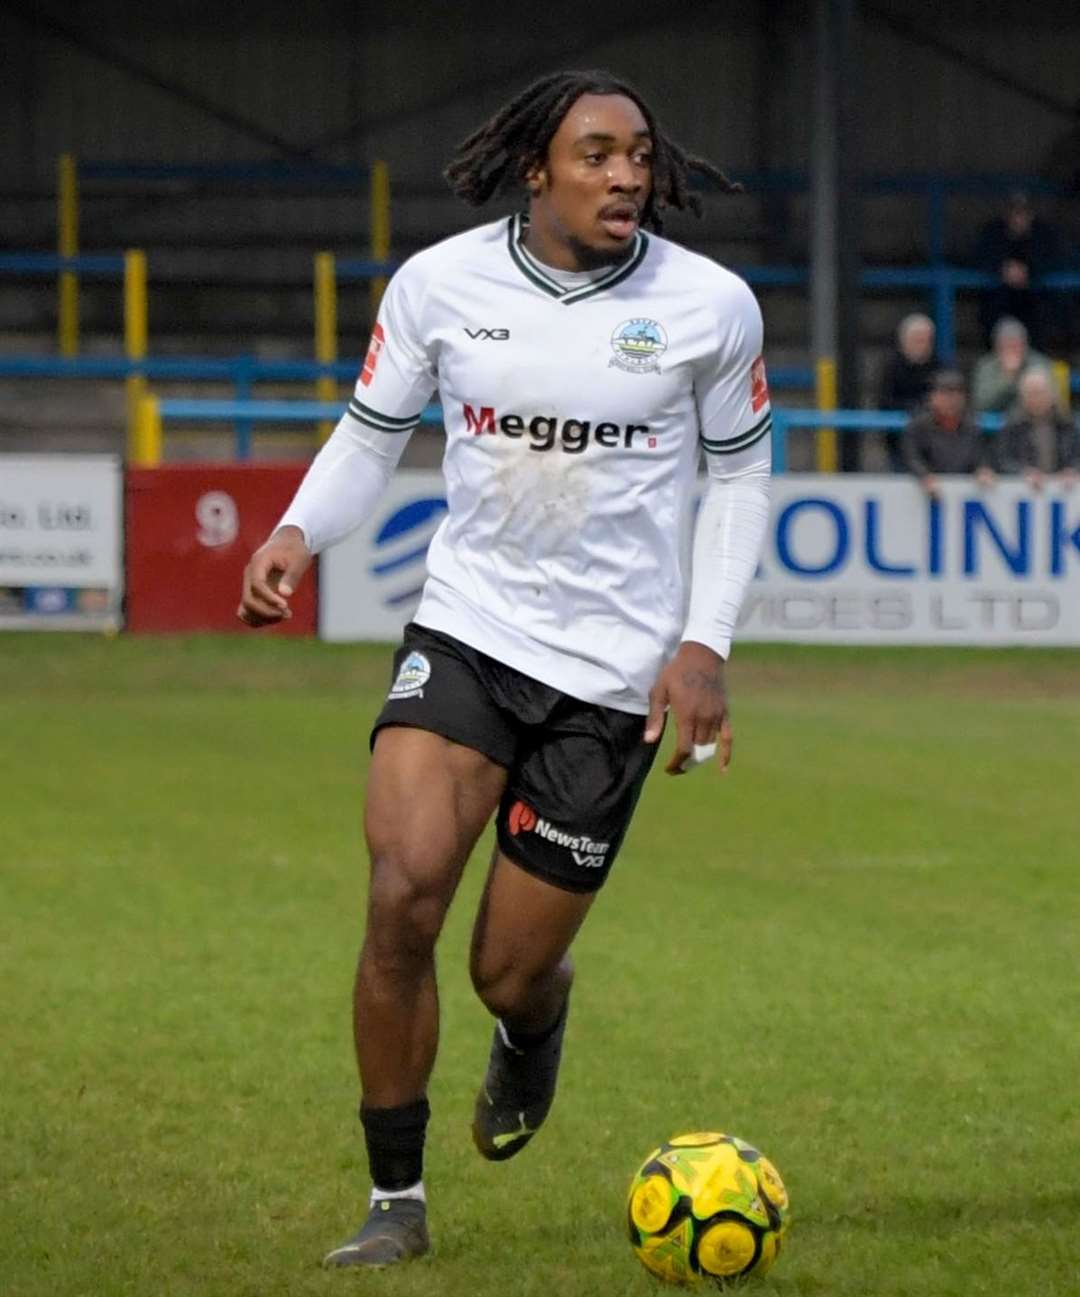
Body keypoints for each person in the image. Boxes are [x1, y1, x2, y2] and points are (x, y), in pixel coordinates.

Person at [237, 70, 772, 1270]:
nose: (627, 173)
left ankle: (534, 1022)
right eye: (597, 153)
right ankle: (395, 1198)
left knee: (504, 969)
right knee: (402, 890)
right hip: (469, 632)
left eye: (639, 153)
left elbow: (738, 475)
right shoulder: (440, 284)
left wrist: (706, 645)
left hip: (615, 678)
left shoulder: (711, 306)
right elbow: (373, 432)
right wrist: (293, 531)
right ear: (538, 168)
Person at [972, 190, 1062, 349]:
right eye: (1015, 212)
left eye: (1023, 213)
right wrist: (1002, 270)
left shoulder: (1043, 234)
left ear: (1031, 215)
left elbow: (1054, 260)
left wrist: (1029, 272)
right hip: (999, 302)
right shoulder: (992, 232)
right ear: (1006, 214)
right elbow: (977, 258)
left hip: (1033, 302)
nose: (1019, 218)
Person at [903, 369, 996, 499]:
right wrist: (924, 476)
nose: (952, 401)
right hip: (926, 493)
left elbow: (979, 456)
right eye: (945, 394)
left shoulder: (972, 426)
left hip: (963, 495)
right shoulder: (918, 426)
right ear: (933, 397)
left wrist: (983, 469)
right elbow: (912, 457)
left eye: (956, 395)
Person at [876, 313, 939, 472]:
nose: (922, 344)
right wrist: (914, 408)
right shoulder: (891, 367)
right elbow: (885, 402)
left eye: (926, 340)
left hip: (934, 443)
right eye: (917, 339)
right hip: (900, 442)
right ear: (903, 340)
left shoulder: (939, 367)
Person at [1001, 367, 1079, 489]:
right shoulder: (1012, 426)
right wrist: (1023, 472)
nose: (1035, 399)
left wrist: (1073, 470)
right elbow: (1003, 461)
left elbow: (1076, 456)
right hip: (1024, 492)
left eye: (1039, 393)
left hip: (1064, 493)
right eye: (1029, 393)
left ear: (1053, 394)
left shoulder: (1067, 424)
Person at [970, 317, 1051, 416]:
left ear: (1025, 345)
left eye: (1016, 345)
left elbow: (1051, 402)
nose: (1012, 350)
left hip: (1030, 422)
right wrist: (1008, 378)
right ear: (997, 347)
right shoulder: (985, 366)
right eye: (1006, 345)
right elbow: (981, 404)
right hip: (992, 425)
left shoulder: (1040, 363)